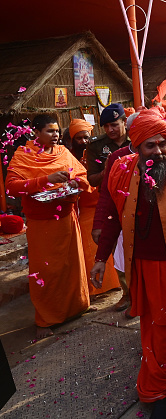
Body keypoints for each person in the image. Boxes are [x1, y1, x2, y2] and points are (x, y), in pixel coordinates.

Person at [90, 109, 166, 418]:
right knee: (151, 324)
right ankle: (161, 369)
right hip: (140, 265)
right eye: (150, 146)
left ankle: (158, 389)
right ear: (137, 148)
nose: (159, 151)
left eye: (163, 144)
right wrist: (101, 258)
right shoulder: (121, 171)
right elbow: (113, 217)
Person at [6, 115, 91, 339]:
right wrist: (46, 179)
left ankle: (76, 307)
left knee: (71, 267)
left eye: (57, 131)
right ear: (37, 132)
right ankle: (45, 319)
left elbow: (81, 174)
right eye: (50, 131)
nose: (55, 135)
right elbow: (12, 187)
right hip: (41, 224)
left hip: (67, 218)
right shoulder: (23, 155)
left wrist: (74, 182)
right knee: (47, 272)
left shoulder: (63, 152)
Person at [69, 119, 120, 298]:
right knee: (89, 248)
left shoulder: (98, 150)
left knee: (108, 244)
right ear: (72, 140)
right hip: (84, 207)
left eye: (86, 137)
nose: (83, 141)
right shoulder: (68, 156)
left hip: (101, 203)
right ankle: (93, 287)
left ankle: (113, 284)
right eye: (79, 138)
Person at [86, 103, 130, 187]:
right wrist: (104, 173)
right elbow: (92, 181)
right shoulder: (96, 145)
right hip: (108, 192)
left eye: (114, 125)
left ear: (125, 122)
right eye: (106, 126)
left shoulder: (135, 141)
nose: (110, 130)